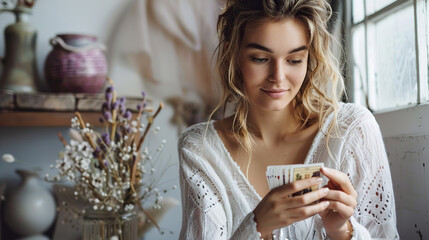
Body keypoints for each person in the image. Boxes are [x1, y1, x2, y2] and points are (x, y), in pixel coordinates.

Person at [177, 0, 399, 239]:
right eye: (260, 58)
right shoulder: (200, 149)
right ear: (233, 54)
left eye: (294, 60)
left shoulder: (352, 130)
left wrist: (341, 230)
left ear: (309, 58)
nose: (278, 77)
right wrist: (258, 226)